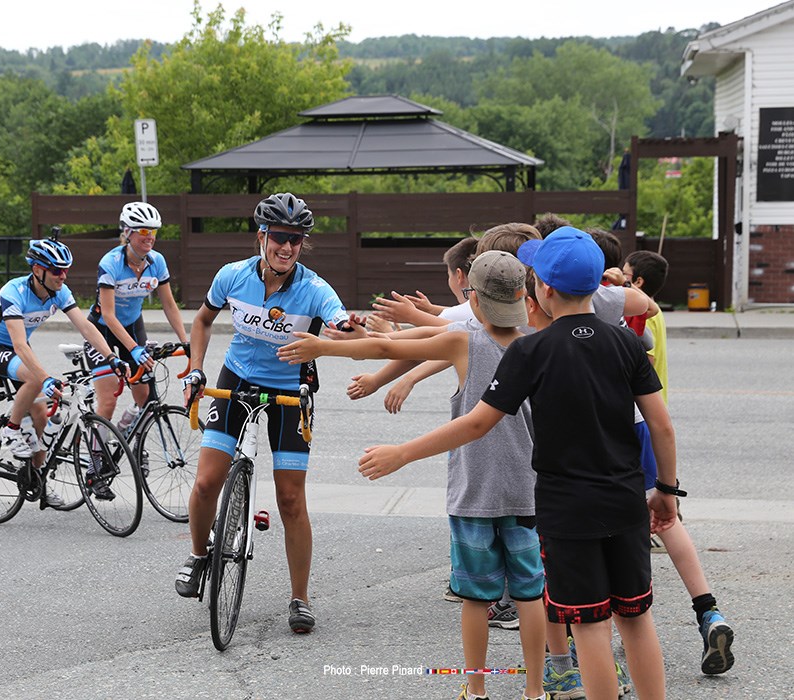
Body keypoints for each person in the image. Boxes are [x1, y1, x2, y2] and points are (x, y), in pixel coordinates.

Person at [359, 227, 680, 700]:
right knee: (635, 618)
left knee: (590, 624)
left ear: (543, 289)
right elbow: (662, 426)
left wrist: (403, 452)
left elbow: (475, 424)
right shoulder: (626, 344)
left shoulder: (531, 350)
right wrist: (666, 490)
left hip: (566, 510)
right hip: (625, 499)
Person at [280, 251, 549, 700]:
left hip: (474, 492)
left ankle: (477, 690)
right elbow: (395, 340)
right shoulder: (537, 340)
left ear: (474, 300)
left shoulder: (464, 341)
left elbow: (390, 348)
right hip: (528, 491)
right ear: (524, 297)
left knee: (475, 598)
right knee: (529, 595)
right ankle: (535, 692)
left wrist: (324, 347)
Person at [174, 193, 351, 635]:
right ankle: (198, 555)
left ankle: (300, 597)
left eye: (296, 240)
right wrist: (196, 369)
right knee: (206, 482)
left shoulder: (315, 289)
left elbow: (339, 322)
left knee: (290, 499)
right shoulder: (231, 276)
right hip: (235, 379)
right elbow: (202, 321)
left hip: (290, 389)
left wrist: (346, 329)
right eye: (280, 238)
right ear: (262, 236)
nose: (287, 247)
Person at [623, 249, 735, 675]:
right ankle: (709, 612)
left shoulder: (631, 316)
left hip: (628, 427)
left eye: (627, 276)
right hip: (650, 426)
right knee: (665, 521)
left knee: (625, 528)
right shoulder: (649, 312)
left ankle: (626, 629)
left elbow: (642, 363)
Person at [0, 238, 126, 505]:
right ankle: (11, 429)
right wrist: (44, 378)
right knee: (36, 380)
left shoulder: (60, 292)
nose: (63, 275)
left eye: (65, 270)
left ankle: (38, 481)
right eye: (57, 270)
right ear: (37, 270)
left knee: (42, 421)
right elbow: (19, 345)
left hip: (19, 350)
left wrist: (111, 357)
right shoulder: (14, 292)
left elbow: (86, 328)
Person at [84, 201, 188, 438]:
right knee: (109, 399)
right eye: (143, 231)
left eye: (153, 231)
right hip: (102, 330)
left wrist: (185, 342)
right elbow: (108, 315)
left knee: (146, 400)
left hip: (132, 327)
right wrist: (134, 349)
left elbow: (169, 304)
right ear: (128, 232)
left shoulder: (157, 261)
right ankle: (96, 455)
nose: (149, 237)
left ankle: (131, 442)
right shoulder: (111, 263)